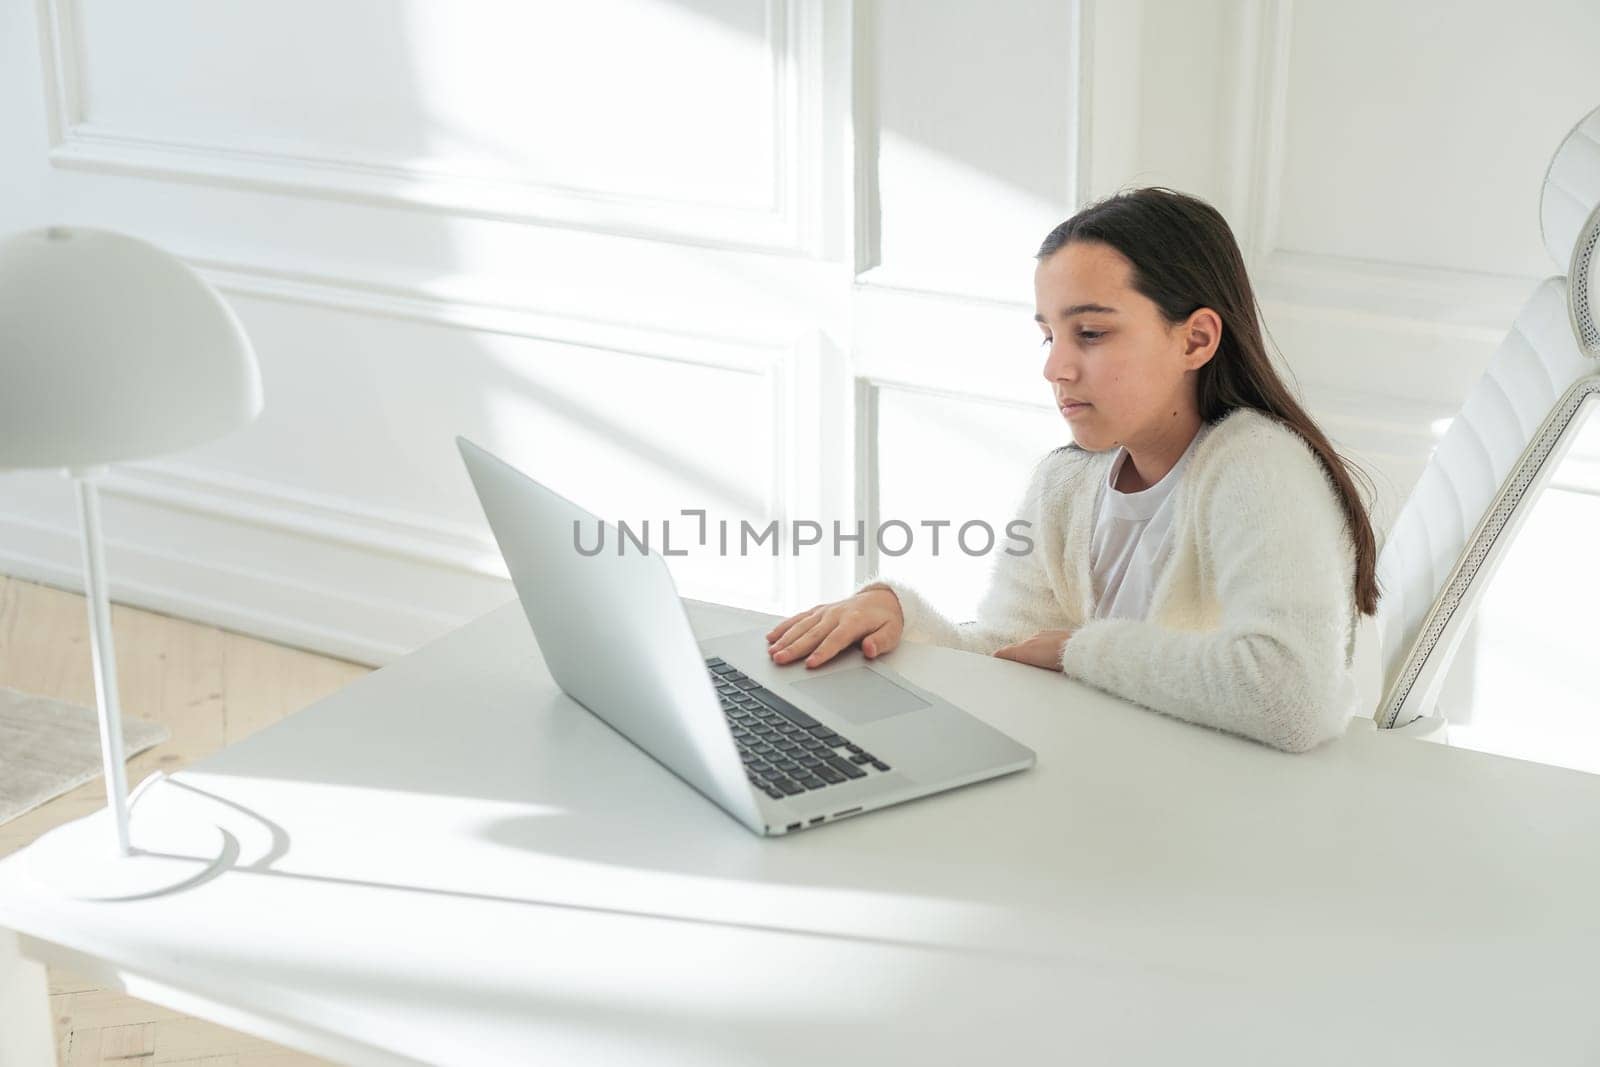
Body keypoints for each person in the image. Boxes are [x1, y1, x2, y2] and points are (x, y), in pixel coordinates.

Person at [764, 187, 1378, 754]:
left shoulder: (1260, 467)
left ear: (1195, 340)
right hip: (1101, 780)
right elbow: (1012, 652)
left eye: (1089, 332)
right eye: (1048, 336)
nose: (1055, 367)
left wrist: (1080, 652)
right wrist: (902, 617)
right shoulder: (1068, 482)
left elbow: (1294, 696)